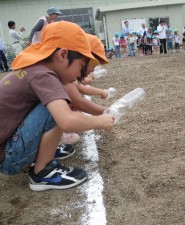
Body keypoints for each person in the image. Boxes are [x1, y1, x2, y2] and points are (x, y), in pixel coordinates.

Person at [0, 21, 114, 191]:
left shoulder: (35, 68)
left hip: (7, 148)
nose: (79, 74)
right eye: (81, 66)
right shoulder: (44, 75)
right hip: (9, 158)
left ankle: (43, 154)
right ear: (62, 55)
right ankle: (42, 172)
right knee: (59, 106)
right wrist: (101, 121)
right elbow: (67, 120)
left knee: (55, 102)